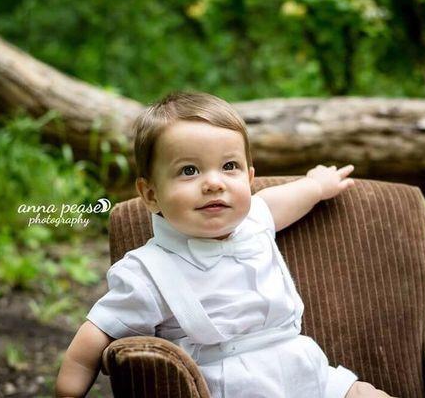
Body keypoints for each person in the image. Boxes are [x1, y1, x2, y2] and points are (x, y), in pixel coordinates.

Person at [55, 91, 395, 398]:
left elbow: (286, 198)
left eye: (229, 166)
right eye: (189, 170)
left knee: (365, 393)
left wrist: (317, 186)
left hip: (306, 370)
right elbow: (97, 332)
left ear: (248, 178)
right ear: (150, 194)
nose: (214, 183)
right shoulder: (148, 271)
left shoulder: (256, 220)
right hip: (230, 383)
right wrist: (70, 387)